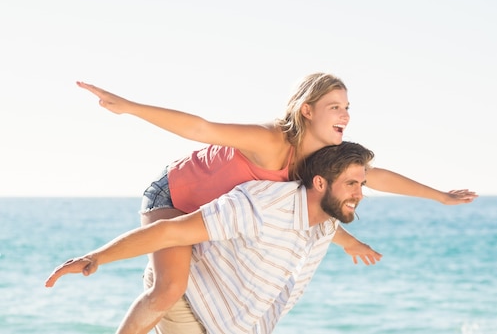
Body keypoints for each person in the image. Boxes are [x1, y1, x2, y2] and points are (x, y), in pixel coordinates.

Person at [76, 72, 477, 334]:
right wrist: (129, 107)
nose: (346, 115)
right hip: (174, 197)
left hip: (216, 210)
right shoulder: (272, 142)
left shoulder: (320, 162)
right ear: (307, 110)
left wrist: (439, 196)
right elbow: (201, 127)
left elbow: (366, 181)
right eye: (335, 107)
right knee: (169, 289)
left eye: (348, 108)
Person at [46, 142, 376, 334]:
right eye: (351, 185)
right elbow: (169, 231)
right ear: (319, 183)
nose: (359, 194)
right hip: (192, 301)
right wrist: (96, 257)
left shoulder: (326, 222)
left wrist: (351, 243)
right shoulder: (262, 205)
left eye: (361, 185)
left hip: (229, 323)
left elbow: (326, 229)